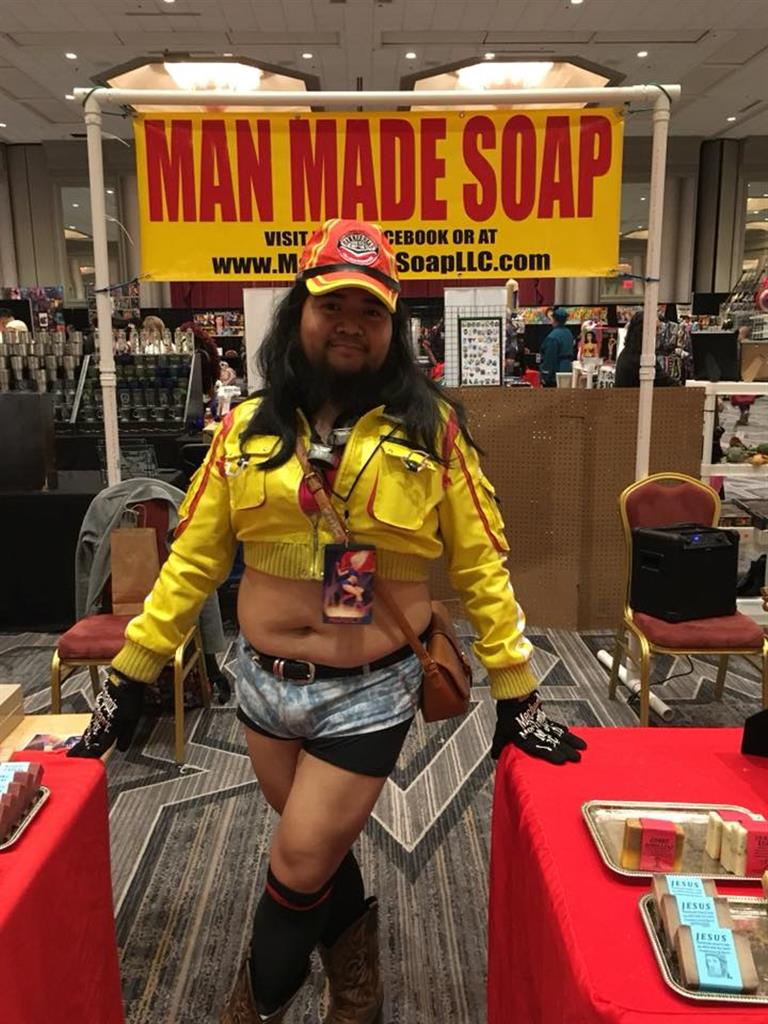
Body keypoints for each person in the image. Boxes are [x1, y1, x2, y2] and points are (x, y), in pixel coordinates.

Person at [68, 218, 586, 1023]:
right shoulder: (245, 429)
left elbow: (482, 564)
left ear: (393, 327)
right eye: (332, 304)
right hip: (264, 688)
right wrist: (131, 676)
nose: (350, 323)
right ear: (299, 313)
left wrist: (518, 693)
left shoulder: (434, 431)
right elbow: (193, 562)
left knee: (299, 857)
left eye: (371, 310)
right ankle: (357, 984)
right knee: (318, 851)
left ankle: (252, 1008)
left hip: (368, 691)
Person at [614, 311, 677, 388]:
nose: (658, 334)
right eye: (656, 329)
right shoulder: (643, 358)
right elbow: (667, 383)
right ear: (644, 332)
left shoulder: (627, 353)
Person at [539, 307, 575, 386]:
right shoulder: (569, 333)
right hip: (568, 369)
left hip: (555, 372)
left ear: (554, 320)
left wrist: (545, 375)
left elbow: (550, 358)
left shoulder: (553, 337)